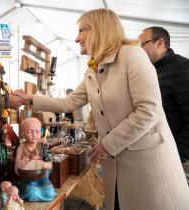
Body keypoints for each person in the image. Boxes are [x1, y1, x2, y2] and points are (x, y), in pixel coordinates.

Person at [13, 8, 189, 210]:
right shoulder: (93, 69)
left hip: (147, 166)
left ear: (100, 29)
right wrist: (29, 99)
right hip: (117, 166)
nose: (77, 37)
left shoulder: (132, 55)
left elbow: (149, 110)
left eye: (82, 30)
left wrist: (107, 144)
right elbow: (70, 102)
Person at [138, 26, 189, 183]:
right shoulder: (151, 70)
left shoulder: (182, 69)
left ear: (160, 43)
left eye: (143, 44)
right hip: (159, 152)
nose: (139, 50)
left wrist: (178, 154)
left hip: (178, 157)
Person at [15, 117, 56, 202]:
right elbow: (16, 169)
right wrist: (24, 162)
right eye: (30, 132)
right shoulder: (21, 148)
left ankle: (42, 192)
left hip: (41, 177)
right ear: (23, 134)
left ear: (41, 132)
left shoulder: (42, 147)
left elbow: (50, 165)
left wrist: (42, 163)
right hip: (27, 179)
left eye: (37, 132)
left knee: (50, 192)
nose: (34, 135)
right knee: (31, 192)